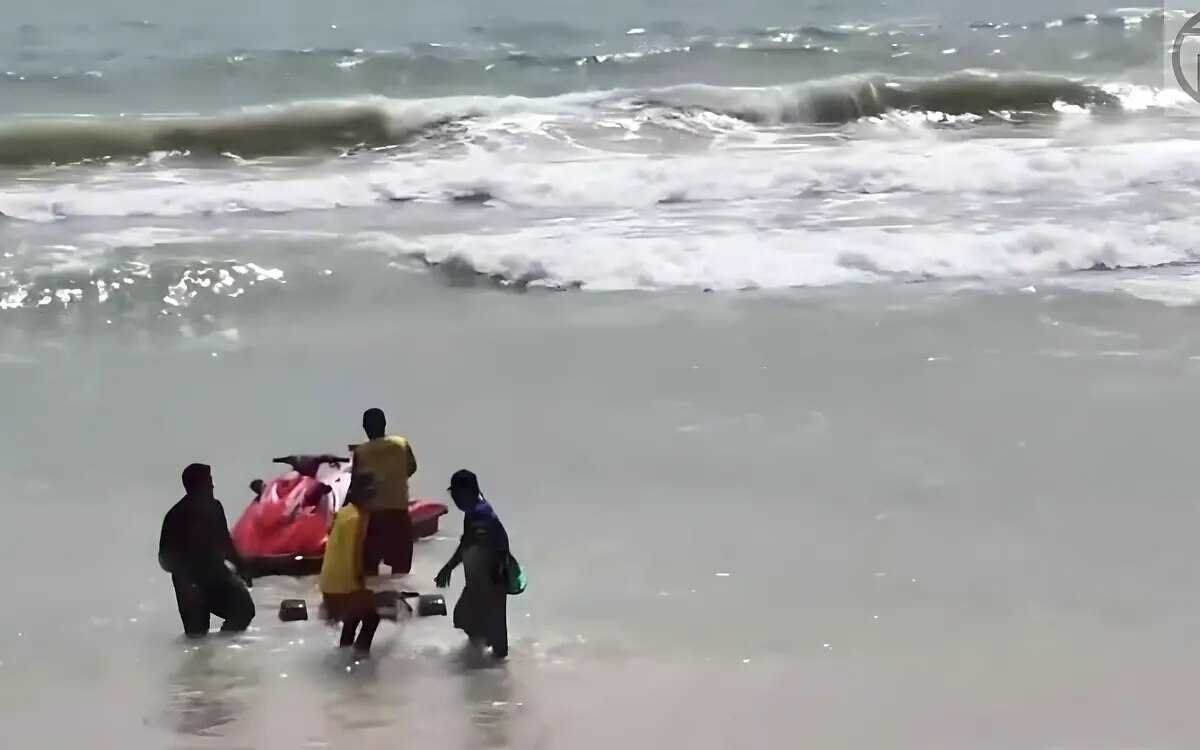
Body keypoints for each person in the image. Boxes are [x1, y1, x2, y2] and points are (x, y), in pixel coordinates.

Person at [158, 463, 255, 638]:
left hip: (215, 578)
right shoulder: (176, 516)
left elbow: (225, 542)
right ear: (198, 486)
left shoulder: (214, 508)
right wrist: (186, 575)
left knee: (244, 610)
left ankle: (222, 651)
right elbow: (164, 559)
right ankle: (205, 660)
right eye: (209, 481)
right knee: (196, 636)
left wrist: (241, 567)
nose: (212, 486)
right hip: (190, 586)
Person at [435, 470, 511, 660]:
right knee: (466, 617)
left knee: (495, 630)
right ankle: (476, 665)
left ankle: (498, 675)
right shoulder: (475, 510)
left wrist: (448, 568)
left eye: (456, 495)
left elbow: (472, 544)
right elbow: (470, 544)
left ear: (469, 491)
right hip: (480, 578)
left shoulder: (480, 514)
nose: (455, 500)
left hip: (491, 577)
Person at [320, 471, 384, 656]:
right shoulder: (358, 517)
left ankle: (344, 652)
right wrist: (360, 583)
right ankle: (359, 658)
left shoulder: (346, 511)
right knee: (372, 619)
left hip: (329, 581)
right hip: (344, 583)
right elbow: (355, 552)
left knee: (354, 616)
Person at [349, 408, 417, 576]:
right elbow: (411, 468)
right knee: (401, 569)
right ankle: (398, 599)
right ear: (385, 424)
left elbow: (355, 486)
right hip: (399, 515)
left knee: (369, 569)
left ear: (364, 427)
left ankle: (372, 600)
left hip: (375, 519)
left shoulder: (361, 452)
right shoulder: (401, 444)